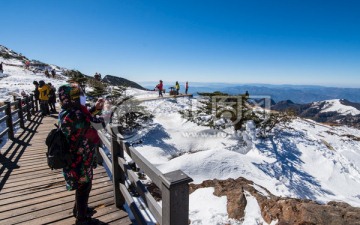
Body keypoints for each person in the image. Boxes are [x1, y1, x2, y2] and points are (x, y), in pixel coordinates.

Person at [58, 84, 101, 225]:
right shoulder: (75, 114)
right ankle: (81, 219)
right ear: (73, 98)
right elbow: (98, 124)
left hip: (75, 156)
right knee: (84, 187)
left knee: (82, 186)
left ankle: (79, 210)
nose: (83, 97)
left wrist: (95, 109)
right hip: (80, 159)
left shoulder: (67, 111)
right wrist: (106, 112)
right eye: (80, 95)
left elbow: (86, 118)